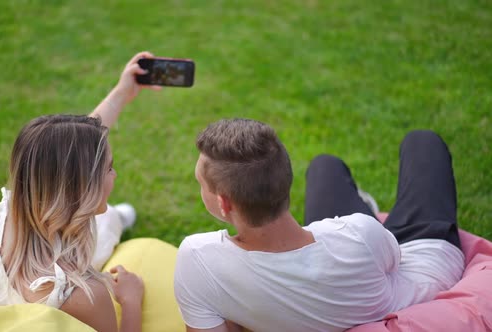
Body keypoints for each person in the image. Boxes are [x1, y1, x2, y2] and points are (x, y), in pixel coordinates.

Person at [0, 52, 161, 332]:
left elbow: (67, 153)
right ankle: (117, 218)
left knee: (101, 223)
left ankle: (116, 216)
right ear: (82, 190)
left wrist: (122, 92)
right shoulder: (86, 295)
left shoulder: (5, 214)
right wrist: (131, 300)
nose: (115, 174)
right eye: (109, 169)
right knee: (105, 225)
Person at [174, 118, 465, 332]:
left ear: (224, 204)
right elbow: (395, 262)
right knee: (422, 142)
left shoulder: (197, 259)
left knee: (325, 167)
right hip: (422, 258)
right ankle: (370, 207)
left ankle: (364, 203)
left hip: (365, 256)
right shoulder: (358, 233)